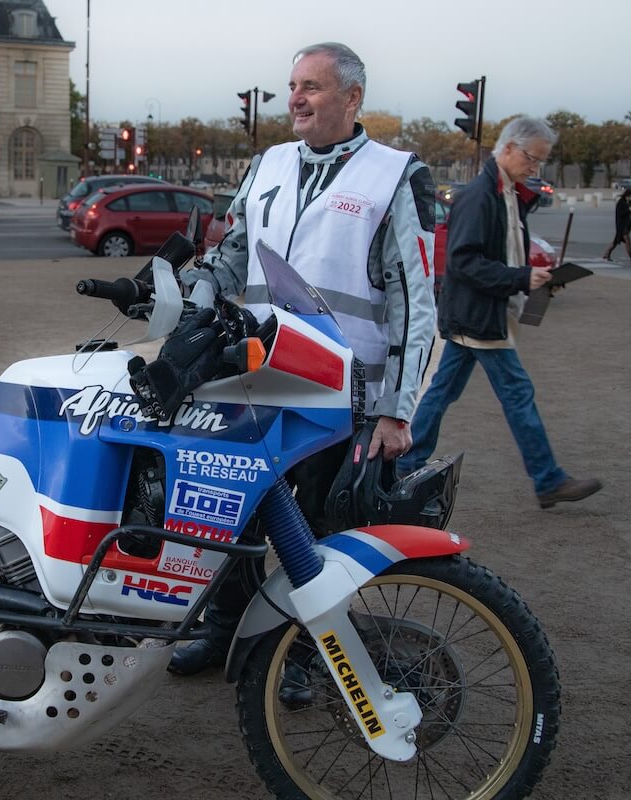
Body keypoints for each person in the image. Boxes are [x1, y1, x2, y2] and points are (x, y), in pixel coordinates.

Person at [169, 42, 438, 675]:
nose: (296, 98)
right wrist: (187, 292)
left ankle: (302, 657)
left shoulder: (397, 175)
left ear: (352, 98)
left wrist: (398, 411)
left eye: (312, 87)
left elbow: (416, 301)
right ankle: (223, 629)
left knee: (314, 534)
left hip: (341, 391)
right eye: (293, 85)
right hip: (257, 375)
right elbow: (232, 254)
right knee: (232, 517)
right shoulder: (267, 164)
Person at [398, 116, 602, 511]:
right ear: (507, 148)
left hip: (476, 314)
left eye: (539, 161)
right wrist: (524, 277)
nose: (535, 168)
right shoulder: (482, 195)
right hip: (480, 317)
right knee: (515, 393)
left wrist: (528, 277)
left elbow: (474, 260)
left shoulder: (501, 191)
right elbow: (464, 263)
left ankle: (405, 463)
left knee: (442, 393)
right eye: (532, 158)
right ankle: (547, 479)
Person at [603, 188, 631, 265]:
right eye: (629, 196)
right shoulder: (620, 203)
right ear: (626, 195)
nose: (630, 198)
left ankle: (606, 254)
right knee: (627, 241)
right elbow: (620, 214)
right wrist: (628, 210)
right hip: (621, 225)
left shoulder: (630, 202)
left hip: (627, 225)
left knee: (616, 242)